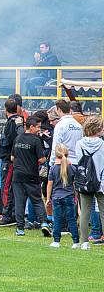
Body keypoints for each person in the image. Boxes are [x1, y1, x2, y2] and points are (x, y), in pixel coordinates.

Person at [11, 116, 50, 237]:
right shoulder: (35, 140)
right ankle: (44, 223)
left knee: (19, 202)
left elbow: (12, 157)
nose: (39, 129)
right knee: (37, 200)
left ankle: (20, 228)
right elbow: (41, 159)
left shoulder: (17, 138)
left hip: (17, 175)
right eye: (38, 127)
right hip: (31, 175)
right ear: (31, 127)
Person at [0, 98, 25, 227]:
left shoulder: (12, 123)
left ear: (5, 109)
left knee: (6, 188)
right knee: (11, 188)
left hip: (8, 159)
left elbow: (9, 141)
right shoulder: (19, 121)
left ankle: (7, 215)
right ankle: (11, 213)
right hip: (13, 158)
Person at [76, 116, 104, 249]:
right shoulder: (102, 144)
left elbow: (78, 161)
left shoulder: (79, 143)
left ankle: (84, 242)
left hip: (85, 180)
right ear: (98, 129)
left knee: (85, 212)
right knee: (103, 212)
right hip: (100, 181)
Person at [46, 143, 80, 248]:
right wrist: (76, 198)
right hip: (69, 196)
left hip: (56, 196)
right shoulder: (72, 168)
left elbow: (49, 184)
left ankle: (56, 241)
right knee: (71, 219)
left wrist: (48, 198)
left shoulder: (53, 168)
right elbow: (75, 184)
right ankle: (76, 241)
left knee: (57, 218)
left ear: (56, 155)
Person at [24, 42, 60, 108]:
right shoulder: (44, 57)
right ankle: (36, 100)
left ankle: (37, 100)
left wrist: (40, 61)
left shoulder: (53, 57)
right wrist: (37, 61)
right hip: (44, 78)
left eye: (42, 47)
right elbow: (38, 71)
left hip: (50, 79)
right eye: (40, 48)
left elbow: (48, 67)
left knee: (32, 81)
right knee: (27, 82)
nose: (41, 49)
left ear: (48, 48)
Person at [50, 99, 83, 164]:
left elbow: (56, 146)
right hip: (77, 162)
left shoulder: (60, 125)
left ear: (59, 109)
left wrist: (52, 162)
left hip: (63, 163)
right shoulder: (78, 125)